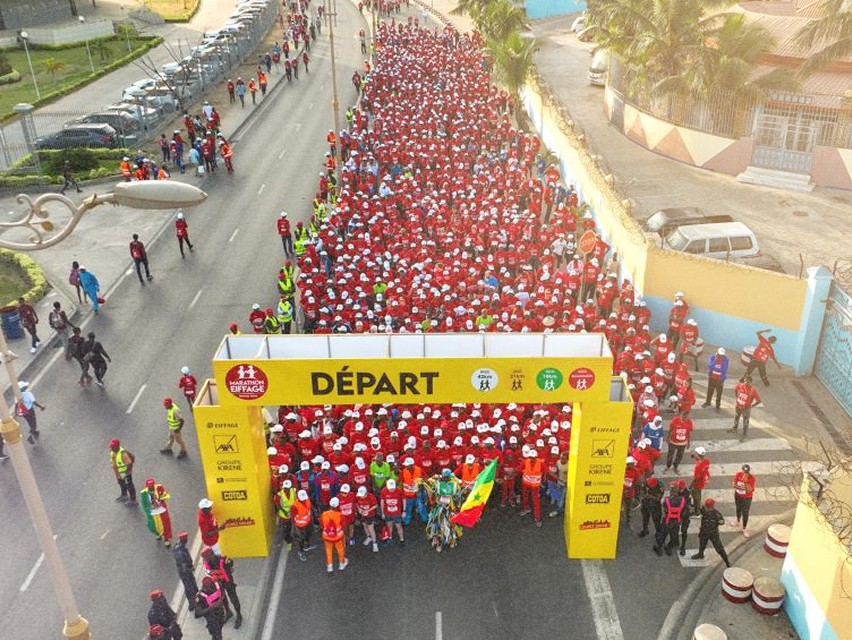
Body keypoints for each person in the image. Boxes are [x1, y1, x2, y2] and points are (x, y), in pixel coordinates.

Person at [201, 546, 242, 629]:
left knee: (233, 598)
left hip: (228, 582)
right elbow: (209, 573)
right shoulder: (208, 563)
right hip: (219, 582)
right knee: (222, 598)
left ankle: (239, 614)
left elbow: (230, 564)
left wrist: (227, 567)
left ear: (211, 555)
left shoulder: (222, 560)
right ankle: (228, 612)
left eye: (206, 558)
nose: (206, 560)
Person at [691, 498, 731, 567]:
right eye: (706, 506)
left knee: (719, 549)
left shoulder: (716, 514)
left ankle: (727, 562)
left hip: (713, 533)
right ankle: (700, 554)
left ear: (712, 507)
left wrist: (720, 522)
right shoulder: (703, 509)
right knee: (702, 544)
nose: (706, 508)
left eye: (708, 507)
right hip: (704, 531)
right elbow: (698, 509)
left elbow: (722, 521)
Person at [654, 483, 686, 556]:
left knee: (662, 535)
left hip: (667, 520)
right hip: (677, 521)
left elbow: (664, 510)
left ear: (671, 492)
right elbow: (684, 511)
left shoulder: (667, 500)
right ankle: (669, 548)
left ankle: (659, 548)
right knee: (674, 535)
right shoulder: (682, 500)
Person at [140, 477, 173, 547]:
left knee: (165, 523)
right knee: (153, 524)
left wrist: (160, 499)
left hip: (161, 509)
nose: (151, 487)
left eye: (152, 486)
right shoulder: (143, 493)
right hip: (152, 511)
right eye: (149, 486)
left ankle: (166, 538)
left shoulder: (159, 487)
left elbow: (165, 495)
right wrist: (148, 511)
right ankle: (157, 533)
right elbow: (144, 503)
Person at [320, 496, 349, 572]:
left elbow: (322, 525)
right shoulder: (340, 515)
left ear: (330, 505)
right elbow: (344, 527)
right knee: (340, 550)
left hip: (327, 536)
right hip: (338, 537)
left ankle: (330, 566)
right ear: (338, 506)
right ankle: (341, 564)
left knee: (328, 550)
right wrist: (346, 536)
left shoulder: (324, 514)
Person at [173, 531, 198, 611]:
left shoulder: (178, 546)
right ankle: (193, 603)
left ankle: (195, 599)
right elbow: (184, 568)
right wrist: (191, 569)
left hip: (185, 570)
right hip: (185, 572)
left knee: (191, 586)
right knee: (189, 587)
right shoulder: (181, 552)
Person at [731, 376, 761, 441]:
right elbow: (735, 388)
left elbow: (759, 400)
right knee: (736, 417)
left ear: (750, 382)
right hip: (738, 406)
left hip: (746, 408)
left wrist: (752, 406)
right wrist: (736, 397)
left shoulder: (752, 390)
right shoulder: (740, 385)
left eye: (747, 382)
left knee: (745, 422)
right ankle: (735, 428)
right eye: (745, 381)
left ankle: (744, 434)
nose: (745, 383)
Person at [664, 409, 693, 474]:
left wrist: (688, 443)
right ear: (681, 415)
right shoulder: (675, 420)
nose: (684, 417)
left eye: (686, 415)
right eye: (683, 415)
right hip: (673, 442)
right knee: (670, 455)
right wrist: (668, 438)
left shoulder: (689, 422)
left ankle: (675, 466)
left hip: (682, 443)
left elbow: (689, 433)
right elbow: (670, 429)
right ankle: (668, 466)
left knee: (680, 456)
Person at [521, 449, 544, 527]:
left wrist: (559, 479)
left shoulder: (541, 463)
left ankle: (537, 517)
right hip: (526, 484)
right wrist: (510, 475)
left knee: (536, 501)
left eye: (533, 457)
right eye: (530, 457)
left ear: (536, 457)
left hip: (535, 486)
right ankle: (526, 508)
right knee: (525, 497)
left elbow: (548, 471)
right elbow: (518, 469)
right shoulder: (525, 462)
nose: (531, 459)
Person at [109, 438, 136, 504]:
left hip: (125, 473)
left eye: (113, 447)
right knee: (121, 483)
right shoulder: (112, 451)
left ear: (117, 446)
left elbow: (129, 464)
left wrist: (126, 473)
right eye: (111, 447)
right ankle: (124, 495)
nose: (111, 448)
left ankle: (133, 499)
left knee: (129, 485)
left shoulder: (123, 454)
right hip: (118, 472)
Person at [732, 464, 756, 537]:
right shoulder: (738, 474)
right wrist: (740, 487)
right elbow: (733, 484)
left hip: (747, 498)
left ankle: (744, 527)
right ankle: (738, 520)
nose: (745, 474)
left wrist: (745, 482)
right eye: (744, 472)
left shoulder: (752, 478)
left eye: (747, 472)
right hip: (738, 495)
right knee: (738, 508)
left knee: (745, 512)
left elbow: (750, 490)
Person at [291, 489, 315, 561]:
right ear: (298, 498)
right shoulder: (294, 506)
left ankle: (306, 545)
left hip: (308, 522)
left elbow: (309, 508)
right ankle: (301, 551)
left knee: (308, 534)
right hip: (300, 526)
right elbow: (293, 517)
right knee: (301, 539)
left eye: (304, 499)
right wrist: (295, 528)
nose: (304, 500)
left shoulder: (307, 500)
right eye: (302, 499)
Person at [380, 478, 405, 544]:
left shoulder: (399, 490)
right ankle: (390, 537)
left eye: (393, 488)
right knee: (389, 526)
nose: (391, 490)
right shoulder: (383, 491)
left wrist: (404, 511)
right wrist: (382, 513)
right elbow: (382, 502)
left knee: (398, 526)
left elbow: (404, 499)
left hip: (397, 513)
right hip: (387, 513)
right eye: (390, 488)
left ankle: (402, 539)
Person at [355, 485, 379, 552]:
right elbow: (356, 503)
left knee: (371, 528)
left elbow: (376, 505)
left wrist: (368, 510)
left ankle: (375, 543)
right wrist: (359, 509)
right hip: (363, 514)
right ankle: (369, 537)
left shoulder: (371, 496)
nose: (361, 497)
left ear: (366, 493)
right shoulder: (358, 496)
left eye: (362, 495)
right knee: (364, 525)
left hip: (370, 515)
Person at [689, 446, 710, 511]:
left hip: (697, 483)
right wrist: (694, 456)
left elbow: (696, 477)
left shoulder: (698, 466)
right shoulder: (706, 461)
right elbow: (699, 459)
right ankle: (696, 505)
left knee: (696, 496)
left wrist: (692, 484)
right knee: (697, 493)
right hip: (702, 481)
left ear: (698, 454)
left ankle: (697, 511)